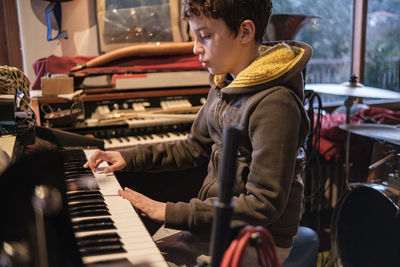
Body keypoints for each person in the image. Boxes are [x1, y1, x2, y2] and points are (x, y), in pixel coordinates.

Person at [84, 0, 311, 265]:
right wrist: (127, 157)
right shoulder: (225, 84)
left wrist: (167, 211)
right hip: (219, 225)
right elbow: (193, 146)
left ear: (245, 32)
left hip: (255, 238)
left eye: (205, 36)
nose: (195, 48)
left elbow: (264, 204)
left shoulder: (275, 103)